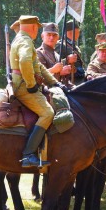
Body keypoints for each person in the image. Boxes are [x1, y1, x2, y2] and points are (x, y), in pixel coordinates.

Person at [10, 15, 65, 168]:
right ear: (34, 27)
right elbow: (25, 61)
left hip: (23, 83)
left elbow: (39, 67)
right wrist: (31, 84)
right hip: (23, 86)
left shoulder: (23, 40)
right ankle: (28, 155)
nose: (37, 30)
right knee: (48, 113)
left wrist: (55, 83)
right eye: (38, 28)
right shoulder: (25, 40)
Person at [55, 20, 85, 85]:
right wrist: (68, 60)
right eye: (77, 32)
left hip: (79, 77)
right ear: (70, 33)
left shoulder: (75, 47)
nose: (78, 34)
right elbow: (55, 62)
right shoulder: (60, 45)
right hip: (67, 79)